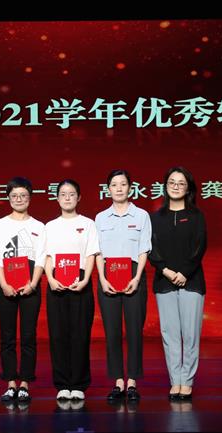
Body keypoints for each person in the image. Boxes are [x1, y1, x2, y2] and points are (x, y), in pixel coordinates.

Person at [149, 166, 207, 401]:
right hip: (164, 282)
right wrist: (166, 270)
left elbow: (200, 246)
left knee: (190, 335)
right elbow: (151, 247)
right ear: (165, 186)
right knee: (170, 334)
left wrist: (184, 272)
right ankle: (175, 381)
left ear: (188, 188)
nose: (175, 186)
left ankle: (187, 380)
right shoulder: (155, 218)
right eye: (171, 182)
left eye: (181, 183)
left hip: (192, 281)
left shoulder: (196, 216)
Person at [0, 177, 46, 404]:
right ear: (8, 198)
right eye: (14, 196)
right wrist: (4, 284)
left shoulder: (39, 226)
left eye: (23, 195)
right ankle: (11, 382)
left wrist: (33, 284)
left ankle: (25, 383)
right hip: (5, 284)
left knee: (29, 335)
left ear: (30, 197)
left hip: (31, 284)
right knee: (8, 336)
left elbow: (41, 258)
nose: (19, 199)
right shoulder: (0, 225)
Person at [95, 169, 152, 402]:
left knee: (134, 330)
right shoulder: (100, 218)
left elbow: (144, 248)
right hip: (108, 276)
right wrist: (102, 278)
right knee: (112, 331)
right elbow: (97, 252)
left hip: (134, 275)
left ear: (130, 187)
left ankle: (132, 381)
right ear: (108, 189)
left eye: (123, 184)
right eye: (114, 184)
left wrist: (136, 278)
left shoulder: (142, 215)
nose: (119, 188)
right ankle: (118, 380)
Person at [44, 179, 100, 402]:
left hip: (80, 282)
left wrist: (85, 279)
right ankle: (62, 384)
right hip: (56, 282)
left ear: (79, 198)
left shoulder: (88, 224)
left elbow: (91, 254)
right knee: (58, 335)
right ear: (57, 198)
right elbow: (47, 256)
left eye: (72, 194)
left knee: (80, 335)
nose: (67, 198)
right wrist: (50, 279)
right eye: (63, 194)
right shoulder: (50, 226)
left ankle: (78, 384)